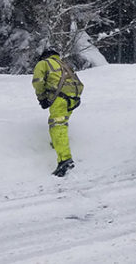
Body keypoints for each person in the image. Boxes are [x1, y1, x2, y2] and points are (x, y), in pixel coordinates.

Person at [32, 49, 84, 177]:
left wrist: (42, 98)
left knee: (57, 126)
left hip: (60, 98)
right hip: (74, 98)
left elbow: (37, 81)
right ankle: (57, 145)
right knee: (62, 125)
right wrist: (75, 97)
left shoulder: (44, 63)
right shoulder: (64, 65)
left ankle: (65, 160)